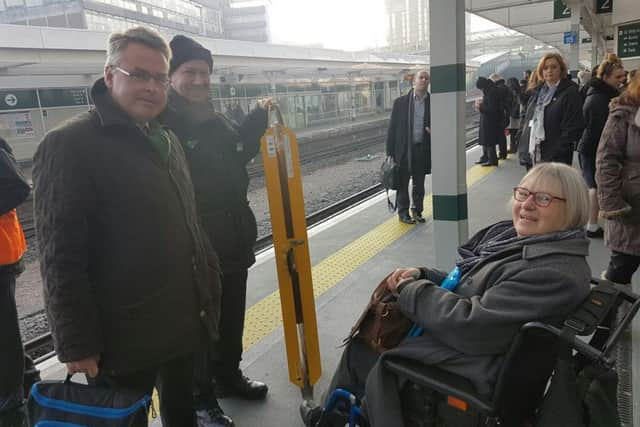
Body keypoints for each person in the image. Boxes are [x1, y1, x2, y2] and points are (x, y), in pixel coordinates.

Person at [301, 162, 592, 427]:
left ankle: (333, 420)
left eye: (543, 199)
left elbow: (471, 326)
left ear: (572, 209)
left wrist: (409, 291)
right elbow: (469, 283)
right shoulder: (534, 247)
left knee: (365, 343)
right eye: (523, 193)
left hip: (472, 364)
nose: (527, 205)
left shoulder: (551, 274)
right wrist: (424, 275)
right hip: (482, 349)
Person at [32, 27, 222, 427]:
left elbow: (189, 223)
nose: (151, 87)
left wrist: (207, 292)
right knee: (122, 421)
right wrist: (76, 344)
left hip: (182, 320)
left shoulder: (165, 138)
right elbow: (60, 256)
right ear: (109, 75)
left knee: (182, 414)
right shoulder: (70, 144)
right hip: (121, 338)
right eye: (138, 75)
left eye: (158, 78)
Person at [160, 35, 269, 426]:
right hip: (195, 241)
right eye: (189, 72)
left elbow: (236, 154)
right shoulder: (163, 120)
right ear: (172, 76)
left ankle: (228, 377)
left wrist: (254, 125)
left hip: (232, 232)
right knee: (201, 323)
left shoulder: (214, 114)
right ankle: (200, 398)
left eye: (204, 72)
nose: (199, 80)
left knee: (232, 313)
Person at [0, 137, 34, 427]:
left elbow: (18, 186)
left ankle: (13, 403)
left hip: (0, 256)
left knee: (4, 334)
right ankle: (27, 382)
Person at [596, 72, 640, 285]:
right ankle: (616, 317)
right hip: (632, 210)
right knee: (621, 270)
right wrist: (613, 205)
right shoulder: (624, 114)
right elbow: (606, 159)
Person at [578, 54, 626, 240]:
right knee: (595, 187)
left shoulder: (597, 94)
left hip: (592, 146)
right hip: (593, 148)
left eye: (623, 76)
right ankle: (591, 225)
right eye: (618, 77)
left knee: (596, 185)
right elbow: (601, 131)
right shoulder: (600, 100)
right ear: (605, 77)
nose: (622, 81)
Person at [518, 52, 584, 169]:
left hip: (556, 159)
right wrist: (521, 139)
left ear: (561, 69)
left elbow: (573, 127)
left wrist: (557, 151)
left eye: (554, 67)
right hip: (533, 152)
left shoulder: (570, 93)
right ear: (541, 71)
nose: (549, 71)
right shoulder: (536, 92)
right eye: (545, 68)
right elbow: (526, 117)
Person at [385, 70, 431, 224]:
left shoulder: (433, 102)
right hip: (404, 150)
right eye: (421, 77)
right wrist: (390, 152)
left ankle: (417, 210)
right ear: (414, 82)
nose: (423, 80)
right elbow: (392, 128)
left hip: (421, 149)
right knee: (402, 182)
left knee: (419, 183)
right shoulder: (401, 103)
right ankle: (403, 213)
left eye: (426, 78)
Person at [475, 76, 503, 167]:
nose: (481, 90)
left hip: (491, 120)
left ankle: (492, 160)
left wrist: (480, 107)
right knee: (485, 139)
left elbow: (492, 109)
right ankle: (485, 157)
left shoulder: (492, 92)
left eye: (481, 88)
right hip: (486, 119)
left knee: (489, 140)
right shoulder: (489, 90)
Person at [506, 77, 523, 154]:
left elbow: (509, 103)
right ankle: (517, 146)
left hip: (513, 115)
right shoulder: (520, 90)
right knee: (517, 132)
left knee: (513, 133)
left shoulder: (510, 91)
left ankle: (513, 147)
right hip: (519, 115)